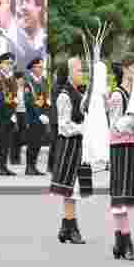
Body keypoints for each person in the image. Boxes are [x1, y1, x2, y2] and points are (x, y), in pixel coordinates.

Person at [107, 56, 134, 260]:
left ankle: (119, 242)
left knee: (126, 196)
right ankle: (126, 239)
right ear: (124, 70)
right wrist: (132, 119)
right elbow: (114, 127)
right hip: (120, 147)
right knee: (120, 196)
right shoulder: (117, 95)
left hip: (133, 146)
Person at [50, 57, 92, 244]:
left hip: (78, 146)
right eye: (78, 70)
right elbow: (63, 126)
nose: (81, 73)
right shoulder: (64, 95)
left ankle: (66, 228)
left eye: (81, 70)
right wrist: (83, 128)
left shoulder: (78, 92)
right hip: (68, 146)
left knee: (74, 189)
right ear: (69, 74)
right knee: (71, 189)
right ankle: (71, 228)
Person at [0, 52, 18, 175]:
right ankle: (0, 167)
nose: (10, 66)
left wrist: (13, 110)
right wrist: (10, 107)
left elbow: (15, 95)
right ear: (1, 64)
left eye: (11, 64)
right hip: (1, 115)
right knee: (1, 142)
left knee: (7, 142)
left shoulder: (11, 77)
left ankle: (4, 166)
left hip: (9, 114)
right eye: (7, 63)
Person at [23, 57, 49, 175]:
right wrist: (39, 115)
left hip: (42, 117)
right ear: (33, 68)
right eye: (39, 67)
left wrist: (46, 113)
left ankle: (34, 166)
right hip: (32, 117)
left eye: (41, 66)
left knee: (38, 142)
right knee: (32, 142)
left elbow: (46, 98)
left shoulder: (43, 80)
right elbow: (29, 101)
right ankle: (29, 167)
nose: (41, 68)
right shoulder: (28, 82)